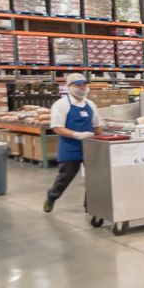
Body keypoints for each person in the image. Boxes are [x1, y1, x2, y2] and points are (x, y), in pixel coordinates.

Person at [44, 73, 103, 213]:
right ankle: (52, 196)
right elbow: (57, 127)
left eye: (84, 84)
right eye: (78, 84)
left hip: (90, 146)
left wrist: (102, 139)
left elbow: (97, 125)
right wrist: (77, 134)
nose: (82, 87)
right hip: (71, 147)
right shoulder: (61, 105)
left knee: (95, 176)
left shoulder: (90, 104)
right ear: (69, 87)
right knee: (66, 176)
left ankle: (90, 205)